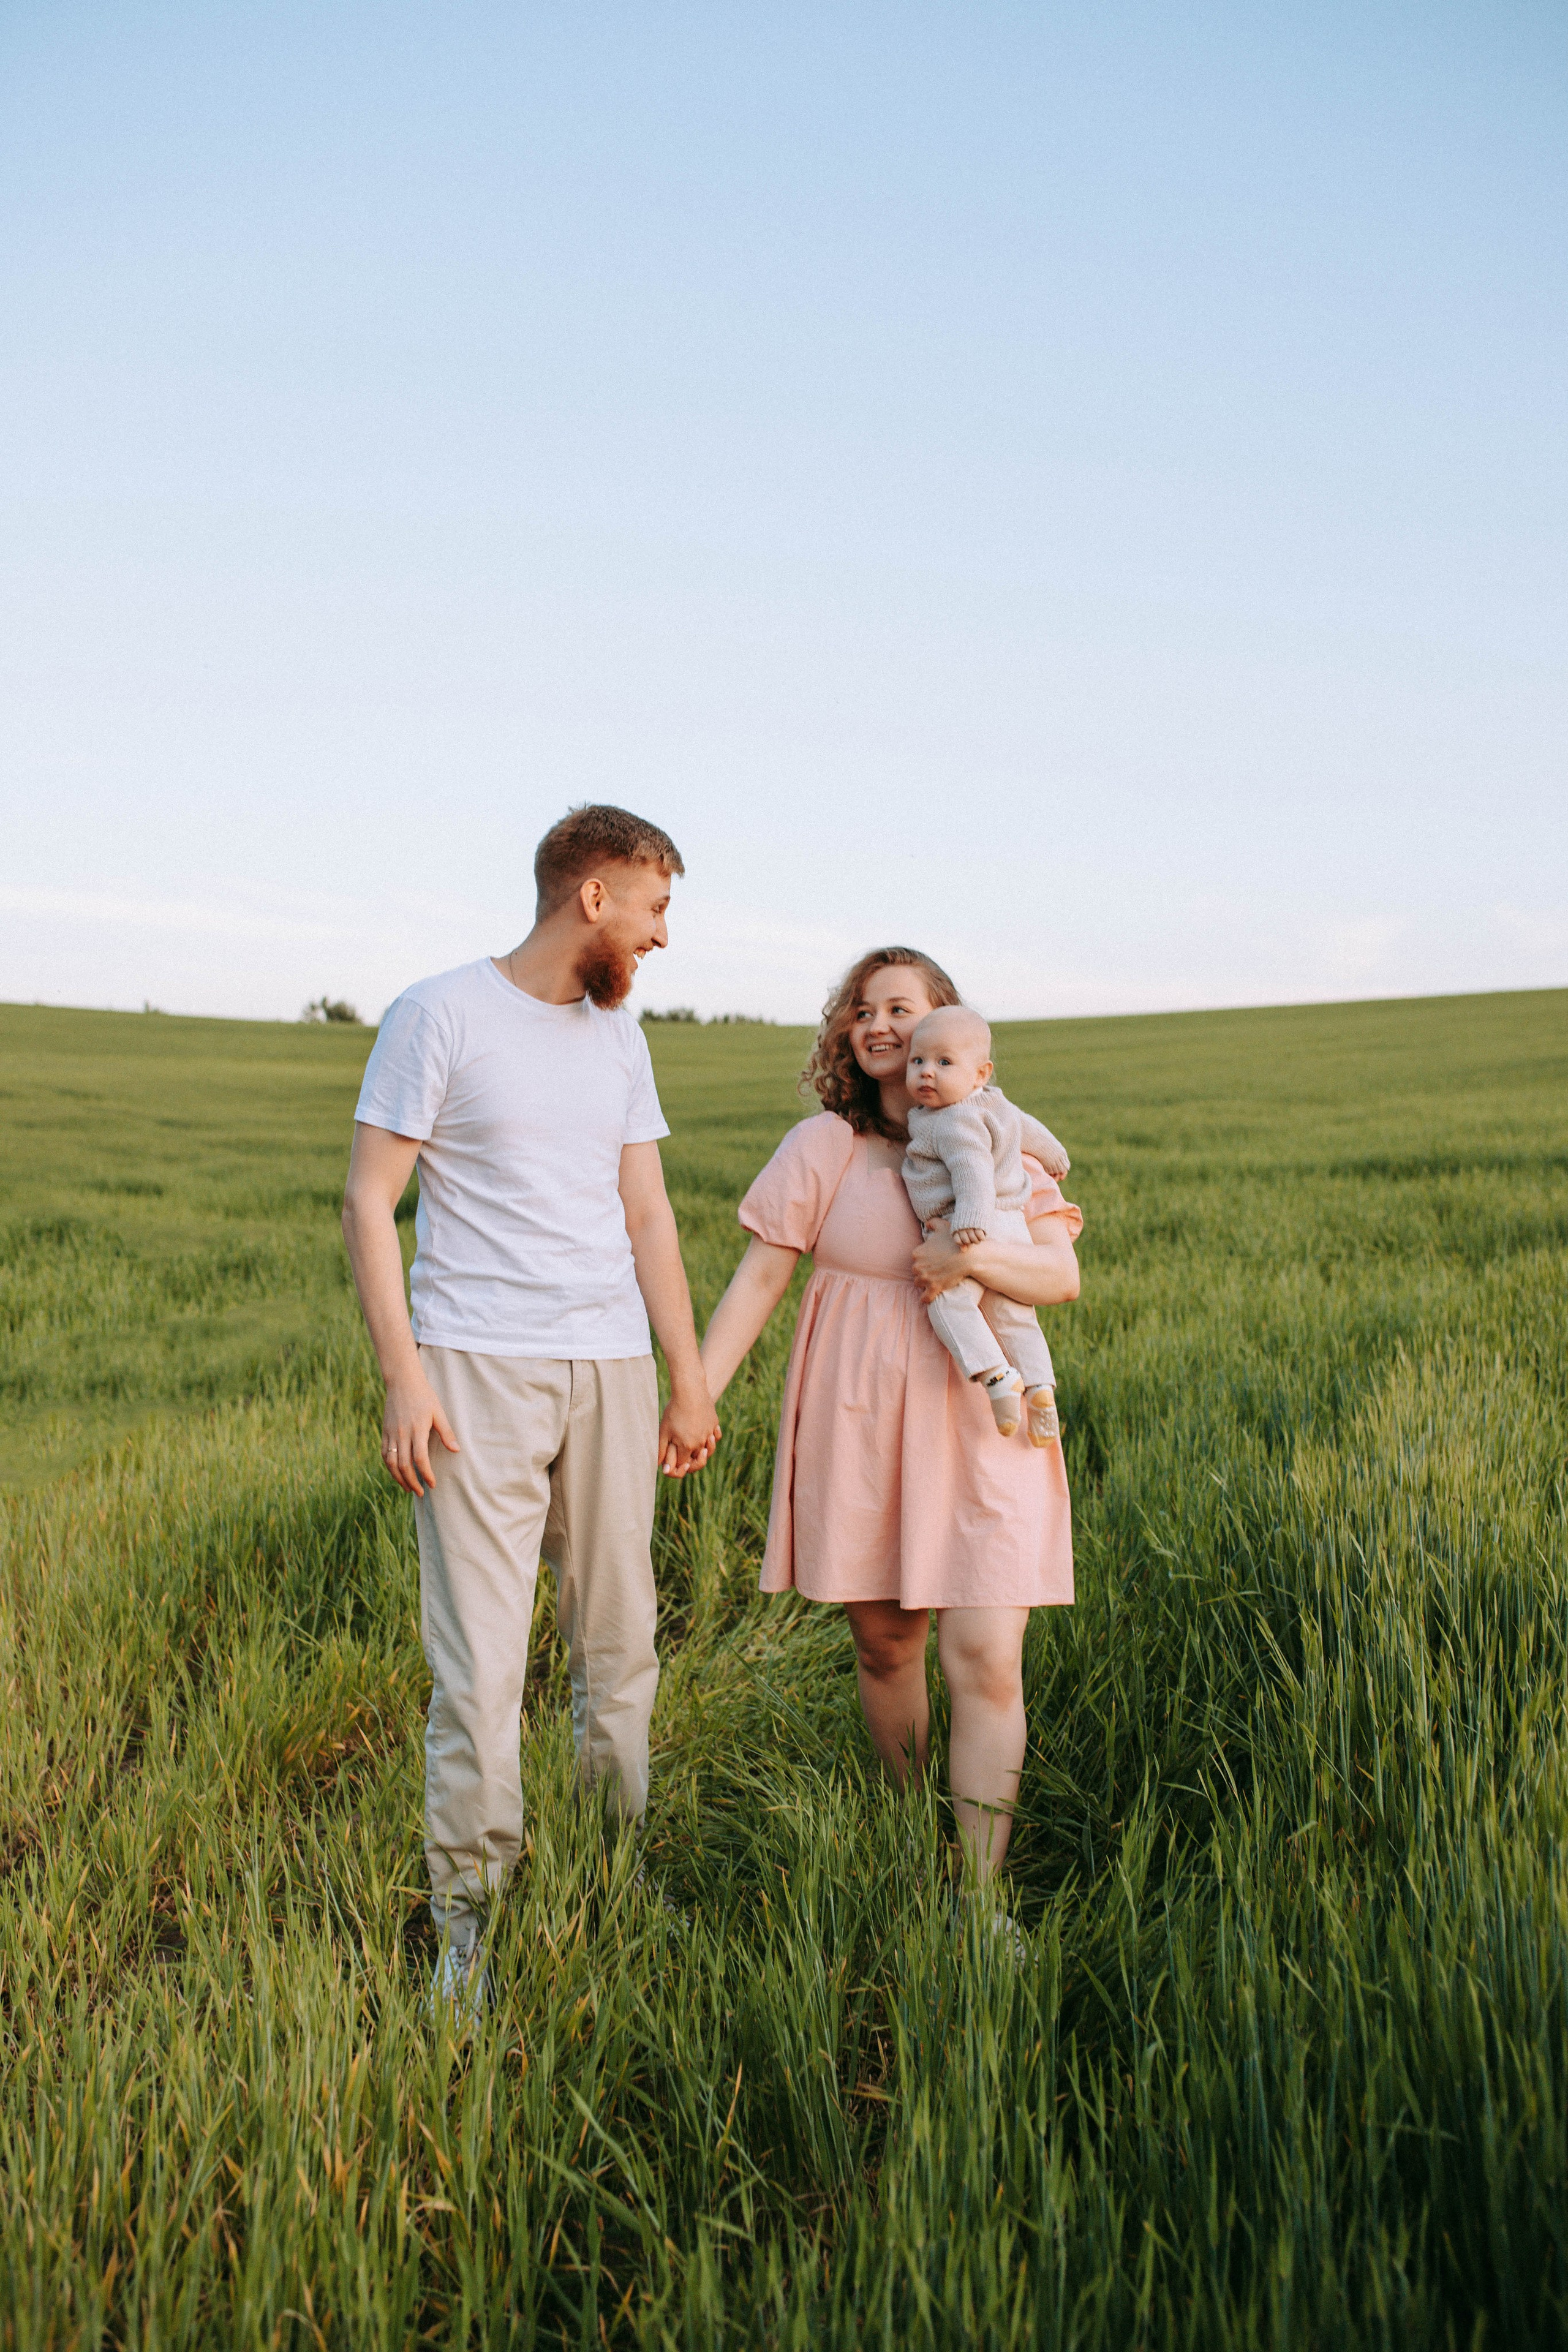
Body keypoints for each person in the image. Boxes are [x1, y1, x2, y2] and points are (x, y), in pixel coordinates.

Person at [341, 804, 720, 2021]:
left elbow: (649, 1214)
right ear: (595, 895)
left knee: (620, 1645)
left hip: (608, 1369)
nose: (664, 935)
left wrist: (688, 1373)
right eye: (656, 906)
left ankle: (617, 1876)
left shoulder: (619, 1035)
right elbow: (367, 1203)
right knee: (480, 1668)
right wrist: (404, 1379)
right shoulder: (438, 1012)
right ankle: (467, 1918)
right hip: (473, 1374)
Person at [699, 947, 1080, 1904]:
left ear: (948, 1029)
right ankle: (919, 1848)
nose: (877, 1024)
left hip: (981, 1417)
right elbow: (760, 1279)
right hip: (860, 1419)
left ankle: (982, 1901)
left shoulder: (1000, 1144)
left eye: (901, 1008)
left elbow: (1060, 1278)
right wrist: (694, 1395)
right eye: (861, 1009)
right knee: (888, 1647)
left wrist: (970, 1260)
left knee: (986, 1654)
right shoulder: (823, 1147)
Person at [903, 1003, 1070, 1445]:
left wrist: (969, 1226)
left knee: (949, 1304)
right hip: (1014, 1224)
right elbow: (1026, 1128)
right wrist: (1054, 1156)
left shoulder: (949, 1120)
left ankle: (997, 1376)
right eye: (917, 1061)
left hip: (973, 1223)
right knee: (1013, 1313)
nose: (926, 1073)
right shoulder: (995, 1104)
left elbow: (970, 1168)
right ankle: (1041, 1388)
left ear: (980, 1074)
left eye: (943, 1063)